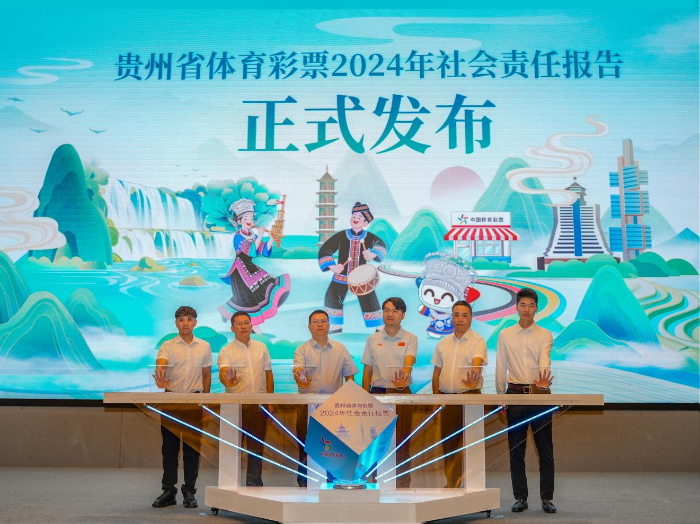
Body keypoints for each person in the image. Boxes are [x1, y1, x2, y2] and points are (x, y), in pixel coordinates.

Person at [495, 287, 556, 514]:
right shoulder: (505, 334)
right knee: (516, 451)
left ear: (536, 308)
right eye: (523, 305)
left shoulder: (545, 334)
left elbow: (544, 359)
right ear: (516, 307)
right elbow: (500, 365)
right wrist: (500, 396)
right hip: (514, 394)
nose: (526, 309)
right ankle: (520, 498)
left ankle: (547, 498)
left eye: (531, 305)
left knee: (545, 451)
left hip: (540, 393)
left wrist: (543, 380)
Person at [152, 306, 212, 509]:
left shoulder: (204, 346)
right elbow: (161, 366)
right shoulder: (167, 345)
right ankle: (169, 491)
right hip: (171, 401)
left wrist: (206, 402)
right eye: (181, 319)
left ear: (195, 322)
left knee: (192, 450)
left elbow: (206, 375)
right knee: (169, 450)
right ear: (176, 323)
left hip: (194, 402)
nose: (185, 323)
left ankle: (189, 492)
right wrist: (161, 376)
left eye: (189, 319)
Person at [293, 310, 358, 486]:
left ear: (329, 325)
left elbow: (350, 376)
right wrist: (301, 379)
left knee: (333, 447)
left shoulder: (340, 348)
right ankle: (304, 482)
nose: (320, 324)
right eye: (315, 322)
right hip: (307, 405)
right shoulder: (302, 349)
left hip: (333, 407)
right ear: (309, 327)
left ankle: (333, 480)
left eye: (323, 321)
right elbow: (298, 373)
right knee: (305, 445)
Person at [361, 297, 417, 487]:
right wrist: (364, 398)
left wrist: (404, 374)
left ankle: (402, 484)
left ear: (403, 315)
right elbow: (367, 371)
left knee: (402, 440)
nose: (390, 314)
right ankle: (376, 482)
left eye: (394, 311)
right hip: (377, 393)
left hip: (401, 392)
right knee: (377, 442)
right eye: (386, 310)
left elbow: (409, 362)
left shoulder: (410, 338)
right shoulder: (373, 339)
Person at [431, 300, 487, 488]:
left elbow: (477, 364)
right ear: (451, 317)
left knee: (472, 443)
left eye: (464, 315)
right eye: (456, 315)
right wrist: (436, 399)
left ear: (471, 318)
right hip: (447, 399)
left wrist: (474, 376)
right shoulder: (443, 343)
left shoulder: (478, 341)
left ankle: (474, 485)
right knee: (449, 444)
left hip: (471, 396)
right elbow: (437, 373)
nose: (460, 319)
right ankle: (452, 484)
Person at [217, 310, 275, 486]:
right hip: (234, 406)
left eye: (246, 323)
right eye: (239, 324)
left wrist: (270, 401)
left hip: (258, 405)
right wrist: (228, 379)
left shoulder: (261, 347)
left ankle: (254, 483)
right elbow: (223, 375)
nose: (243, 326)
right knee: (231, 448)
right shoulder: (226, 350)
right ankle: (228, 485)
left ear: (251, 325)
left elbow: (268, 374)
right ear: (232, 328)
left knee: (256, 447)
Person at [218, 198, 291, 329]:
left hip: (250, 267)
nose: (249, 221)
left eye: (251, 218)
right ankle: (243, 322)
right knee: (245, 299)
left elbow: (263, 251)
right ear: (239, 221)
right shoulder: (238, 237)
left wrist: (271, 240)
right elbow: (250, 251)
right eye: (246, 218)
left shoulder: (253, 234)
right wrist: (261, 235)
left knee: (259, 291)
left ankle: (229, 314)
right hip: (240, 271)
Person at [318, 202, 387, 334]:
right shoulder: (342, 235)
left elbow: (381, 245)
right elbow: (325, 249)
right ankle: (335, 325)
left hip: (362, 277)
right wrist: (333, 266)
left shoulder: (369, 237)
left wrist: (373, 253)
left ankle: (379, 326)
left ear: (365, 222)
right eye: (354, 216)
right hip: (341, 276)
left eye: (359, 217)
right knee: (333, 296)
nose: (356, 218)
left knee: (369, 299)